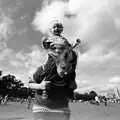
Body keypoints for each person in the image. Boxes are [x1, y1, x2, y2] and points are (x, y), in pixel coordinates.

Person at [31, 21, 78, 120]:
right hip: (53, 58)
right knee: (49, 69)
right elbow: (45, 47)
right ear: (51, 29)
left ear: (62, 29)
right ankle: (45, 90)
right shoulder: (49, 38)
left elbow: (69, 48)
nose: (57, 28)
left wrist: (74, 44)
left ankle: (70, 90)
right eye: (55, 27)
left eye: (59, 27)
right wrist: (39, 86)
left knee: (73, 61)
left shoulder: (64, 39)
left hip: (64, 58)